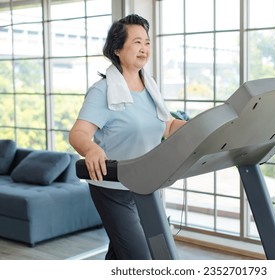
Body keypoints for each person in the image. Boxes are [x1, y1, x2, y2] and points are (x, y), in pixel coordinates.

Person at [69, 14, 186, 260]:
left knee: (124, 251)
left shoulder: (150, 86)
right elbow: (78, 133)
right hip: (113, 188)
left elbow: (168, 126)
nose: (144, 49)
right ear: (117, 49)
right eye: (136, 42)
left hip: (146, 184)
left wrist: (203, 127)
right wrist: (91, 150)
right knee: (141, 257)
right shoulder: (102, 91)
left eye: (147, 42)